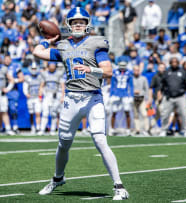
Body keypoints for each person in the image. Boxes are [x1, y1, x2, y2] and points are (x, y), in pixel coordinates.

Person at [32, 7, 129, 200]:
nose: (78, 25)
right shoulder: (63, 46)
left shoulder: (96, 43)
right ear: (68, 25)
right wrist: (48, 40)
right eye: (75, 22)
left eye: (81, 22)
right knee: (63, 144)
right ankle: (58, 178)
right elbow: (37, 52)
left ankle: (119, 187)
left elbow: (109, 72)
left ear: (87, 24)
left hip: (93, 98)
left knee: (100, 140)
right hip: (71, 99)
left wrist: (89, 69)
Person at [158, 57, 186, 137]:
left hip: (180, 96)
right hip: (168, 96)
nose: (174, 63)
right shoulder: (167, 72)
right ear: (170, 63)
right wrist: (160, 93)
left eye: (176, 62)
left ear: (178, 63)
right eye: (173, 62)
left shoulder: (182, 72)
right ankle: (163, 130)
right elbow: (162, 84)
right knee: (165, 114)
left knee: (184, 114)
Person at [38, 62, 65, 136]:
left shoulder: (59, 74)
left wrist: (62, 96)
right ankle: (42, 129)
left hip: (56, 95)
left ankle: (53, 130)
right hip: (47, 95)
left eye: (53, 65)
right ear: (48, 66)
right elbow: (41, 86)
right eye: (51, 65)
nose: (52, 66)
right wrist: (40, 96)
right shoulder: (45, 74)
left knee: (54, 114)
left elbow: (62, 86)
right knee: (45, 113)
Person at [110, 60, 134, 136]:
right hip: (116, 93)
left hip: (125, 94)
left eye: (124, 66)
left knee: (127, 111)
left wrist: (131, 96)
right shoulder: (115, 72)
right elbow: (112, 84)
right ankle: (112, 129)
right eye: (121, 66)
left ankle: (128, 129)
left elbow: (131, 85)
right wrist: (111, 94)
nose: (123, 68)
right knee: (114, 111)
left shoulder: (129, 72)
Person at [3, 55, 24, 133]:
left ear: (11, 59)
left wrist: (12, 80)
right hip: (2, 91)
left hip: (13, 91)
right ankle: (4, 127)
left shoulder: (15, 66)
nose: (7, 61)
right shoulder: (1, 67)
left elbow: (22, 78)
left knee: (13, 109)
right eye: (6, 59)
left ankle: (15, 126)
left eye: (8, 59)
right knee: (3, 110)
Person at [24, 62, 42, 134]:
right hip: (30, 97)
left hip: (37, 97)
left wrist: (40, 96)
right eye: (32, 68)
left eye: (35, 68)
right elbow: (25, 87)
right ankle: (32, 127)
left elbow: (42, 87)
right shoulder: (27, 77)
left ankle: (38, 127)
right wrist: (26, 93)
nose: (34, 70)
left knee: (38, 113)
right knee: (31, 113)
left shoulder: (40, 77)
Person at [133, 65, 150, 136]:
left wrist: (148, 98)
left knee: (145, 114)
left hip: (141, 98)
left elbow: (147, 89)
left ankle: (146, 130)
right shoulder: (131, 78)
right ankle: (137, 130)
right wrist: (133, 91)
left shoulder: (143, 78)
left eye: (138, 70)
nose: (136, 71)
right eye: (135, 70)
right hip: (133, 99)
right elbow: (128, 88)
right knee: (136, 115)